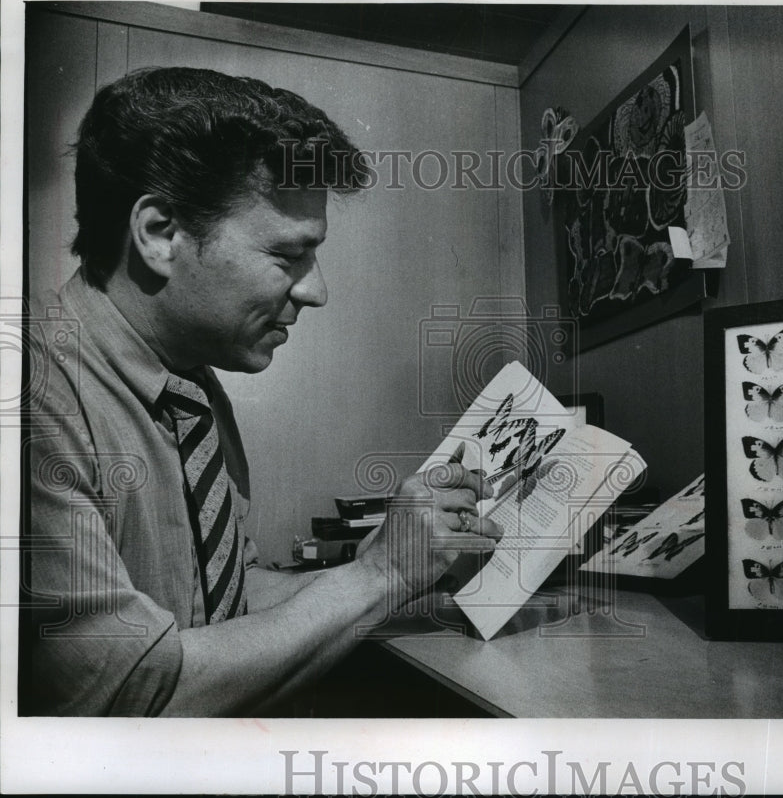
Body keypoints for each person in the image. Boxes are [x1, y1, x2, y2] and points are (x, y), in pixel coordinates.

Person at [23, 67, 500, 717]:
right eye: (288, 255)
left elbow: (227, 592)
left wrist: (402, 565)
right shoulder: (31, 397)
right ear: (160, 234)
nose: (316, 290)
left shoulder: (194, 386)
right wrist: (380, 576)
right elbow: (130, 692)